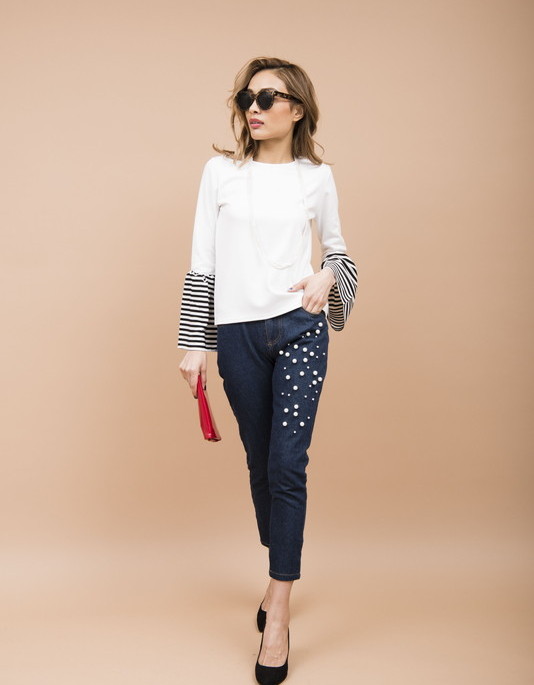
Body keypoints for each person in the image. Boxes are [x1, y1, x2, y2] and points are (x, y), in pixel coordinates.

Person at [178, 56, 357, 685]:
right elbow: (202, 260)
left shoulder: (317, 178)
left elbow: (339, 255)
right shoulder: (220, 173)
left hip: (301, 329)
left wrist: (326, 277)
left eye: (268, 98)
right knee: (260, 463)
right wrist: (194, 345)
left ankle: (277, 610)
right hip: (237, 335)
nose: (253, 108)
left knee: (287, 465)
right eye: (247, 98)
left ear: (297, 109)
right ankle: (276, 566)